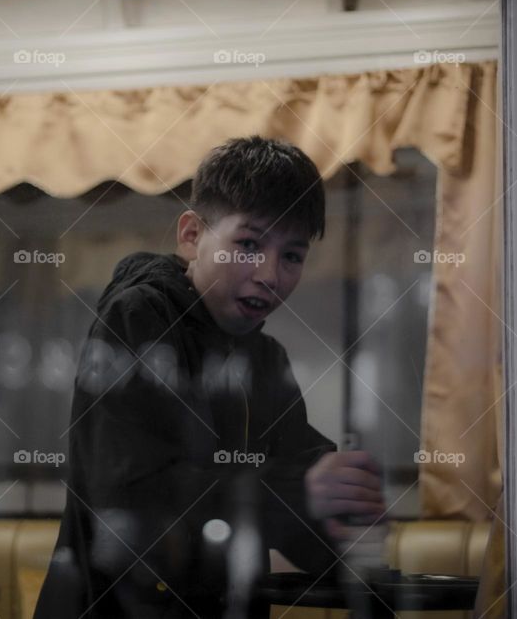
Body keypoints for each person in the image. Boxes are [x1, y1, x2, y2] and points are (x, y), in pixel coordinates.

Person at [34, 136, 385, 619]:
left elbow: (293, 497)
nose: (270, 274)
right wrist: (301, 491)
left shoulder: (266, 358)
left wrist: (344, 512)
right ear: (192, 235)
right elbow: (130, 497)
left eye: (292, 255)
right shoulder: (137, 315)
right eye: (248, 244)